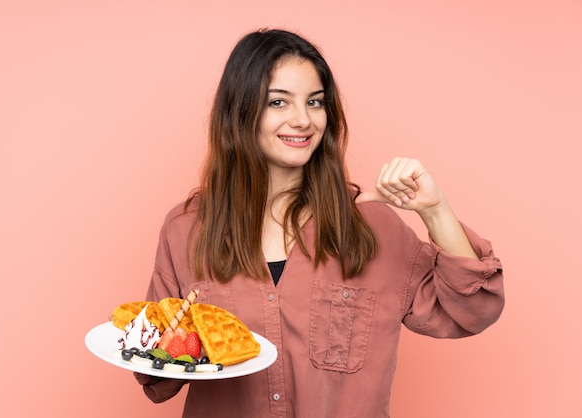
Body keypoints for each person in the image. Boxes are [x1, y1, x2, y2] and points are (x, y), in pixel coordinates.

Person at [133, 28, 504, 418]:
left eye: (314, 102)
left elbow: (473, 308)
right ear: (240, 112)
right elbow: (159, 374)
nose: (303, 120)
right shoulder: (186, 229)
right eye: (278, 102)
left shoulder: (371, 226)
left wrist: (435, 209)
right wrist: (144, 341)